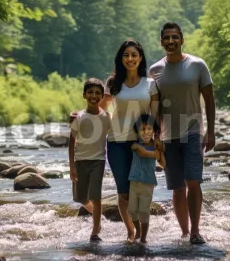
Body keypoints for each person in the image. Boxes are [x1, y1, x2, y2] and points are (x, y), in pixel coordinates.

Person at [149, 22, 216, 245]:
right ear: (161, 42)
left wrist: (211, 132)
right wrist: (155, 136)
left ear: (182, 39)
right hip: (167, 137)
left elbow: (209, 100)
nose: (171, 41)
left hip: (193, 132)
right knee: (177, 188)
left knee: (193, 181)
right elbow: (154, 106)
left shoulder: (197, 65)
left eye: (175, 37)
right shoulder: (155, 70)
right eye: (167, 38)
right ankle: (184, 232)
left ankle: (196, 231)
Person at [100, 39, 160, 243]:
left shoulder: (150, 84)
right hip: (116, 140)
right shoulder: (113, 83)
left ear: (140, 58)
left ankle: (142, 234)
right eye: (126, 55)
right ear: (121, 59)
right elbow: (100, 108)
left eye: (134, 55)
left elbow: (155, 115)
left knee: (139, 189)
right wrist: (81, 115)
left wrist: (157, 138)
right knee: (123, 191)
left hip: (141, 143)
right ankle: (130, 231)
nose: (130, 58)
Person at [68, 78, 111, 242]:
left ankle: (95, 230)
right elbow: (71, 142)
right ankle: (96, 215)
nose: (94, 96)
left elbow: (117, 134)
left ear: (102, 96)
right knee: (80, 198)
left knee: (96, 196)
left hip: (98, 161)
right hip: (80, 161)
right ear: (84, 95)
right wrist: (72, 166)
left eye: (98, 93)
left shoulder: (106, 117)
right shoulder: (78, 117)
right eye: (91, 92)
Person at [128, 114, 166, 245]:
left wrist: (160, 152)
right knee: (132, 210)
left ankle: (143, 237)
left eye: (149, 129)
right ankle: (137, 230)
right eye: (142, 129)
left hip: (148, 183)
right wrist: (154, 151)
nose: (145, 132)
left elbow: (163, 164)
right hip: (134, 181)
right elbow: (142, 153)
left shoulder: (155, 146)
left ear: (154, 131)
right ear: (137, 131)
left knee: (144, 211)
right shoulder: (135, 145)